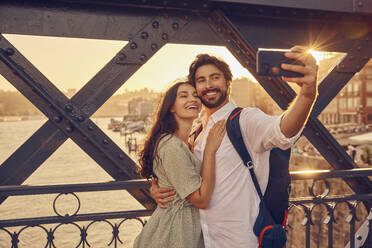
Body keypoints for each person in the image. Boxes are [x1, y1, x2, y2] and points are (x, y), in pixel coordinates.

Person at [150, 46, 319, 247]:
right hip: (205, 240)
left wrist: (308, 94)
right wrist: (159, 188)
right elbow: (185, 176)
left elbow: (283, 130)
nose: (208, 85)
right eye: (201, 80)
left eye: (215, 77)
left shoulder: (245, 120)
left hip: (242, 239)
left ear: (228, 83)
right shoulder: (197, 133)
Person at [133, 81, 226, 248]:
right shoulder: (171, 145)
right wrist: (210, 150)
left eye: (196, 96)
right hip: (174, 234)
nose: (192, 99)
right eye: (184, 96)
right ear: (171, 107)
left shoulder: (187, 142)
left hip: (186, 229)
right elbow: (201, 200)